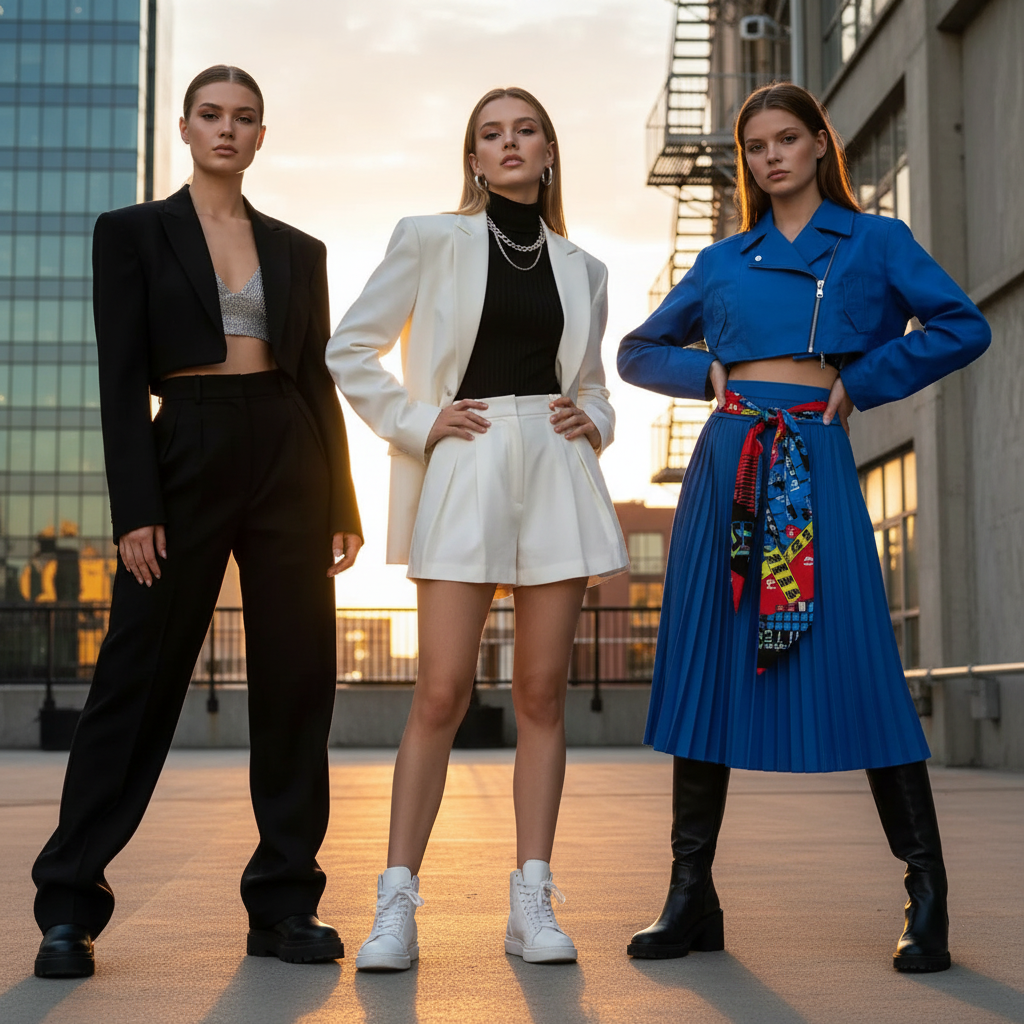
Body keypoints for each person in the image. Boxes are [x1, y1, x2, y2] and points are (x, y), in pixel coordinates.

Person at [617, 82, 990, 973]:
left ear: (821, 145)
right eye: (756, 146)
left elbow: (960, 325)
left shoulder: (875, 241)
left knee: (862, 663)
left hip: (813, 462)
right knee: (707, 665)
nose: (771, 156)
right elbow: (636, 350)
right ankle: (690, 895)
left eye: (788, 139)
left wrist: (865, 380)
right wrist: (705, 371)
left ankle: (926, 896)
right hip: (727, 465)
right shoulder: (722, 260)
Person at [31, 65, 363, 978]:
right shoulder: (132, 233)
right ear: (185, 128)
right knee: (134, 678)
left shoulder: (301, 249)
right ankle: (68, 904)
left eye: (245, 118)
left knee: (297, 681)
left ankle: (286, 902)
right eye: (211, 115)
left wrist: (341, 498)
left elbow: (317, 379)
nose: (227, 129)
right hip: (185, 444)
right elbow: (115, 377)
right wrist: (135, 509)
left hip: (288, 451)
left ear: (262, 136)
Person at [326, 87, 627, 969]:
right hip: (466, 456)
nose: (508, 144)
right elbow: (351, 347)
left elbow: (596, 383)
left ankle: (530, 902)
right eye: (490, 133)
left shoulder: (586, 267)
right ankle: (396, 905)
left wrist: (595, 422)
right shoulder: (429, 238)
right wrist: (420, 422)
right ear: (472, 157)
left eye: (523, 130)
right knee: (441, 692)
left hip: (555, 469)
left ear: (546, 152)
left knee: (541, 694)